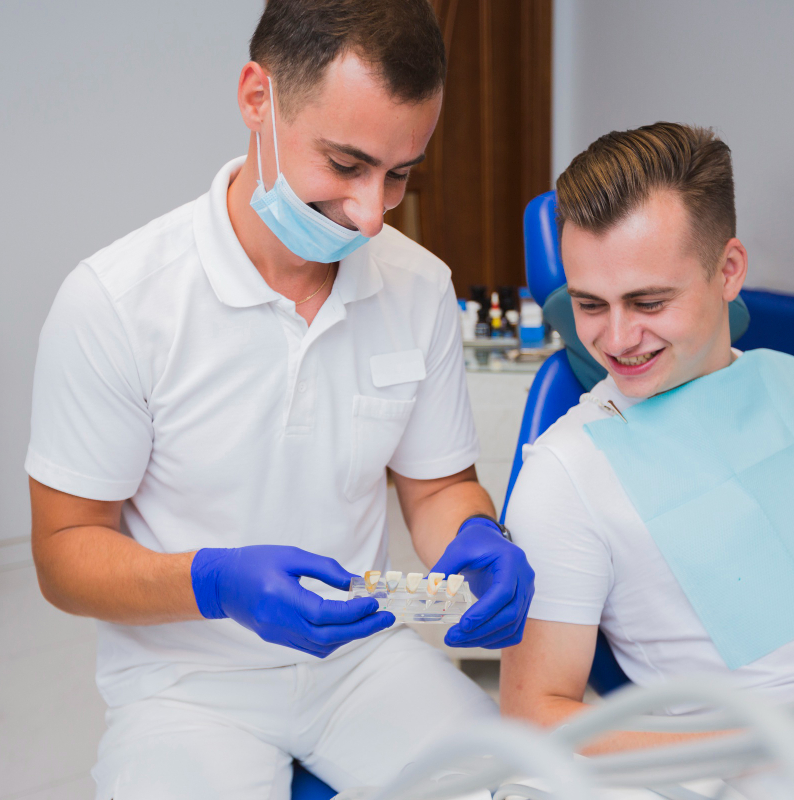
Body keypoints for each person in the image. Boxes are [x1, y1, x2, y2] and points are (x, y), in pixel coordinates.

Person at [26, 1, 533, 796]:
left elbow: (437, 486)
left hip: (362, 657)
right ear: (257, 98)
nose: (372, 214)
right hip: (185, 683)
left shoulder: (419, 287)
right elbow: (64, 554)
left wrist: (478, 534)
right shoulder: (117, 302)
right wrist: (215, 582)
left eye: (400, 173)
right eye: (345, 163)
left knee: (515, 785)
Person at [500, 122, 794, 795]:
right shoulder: (567, 472)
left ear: (728, 270)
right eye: (589, 304)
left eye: (648, 301)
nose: (616, 338)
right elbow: (534, 718)